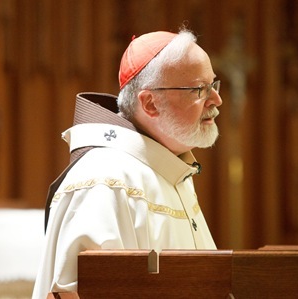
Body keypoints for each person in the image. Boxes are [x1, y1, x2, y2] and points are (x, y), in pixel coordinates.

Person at [32, 28, 222, 298]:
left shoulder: (168, 171)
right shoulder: (106, 181)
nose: (216, 99)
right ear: (150, 103)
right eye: (199, 89)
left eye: (213, 85)